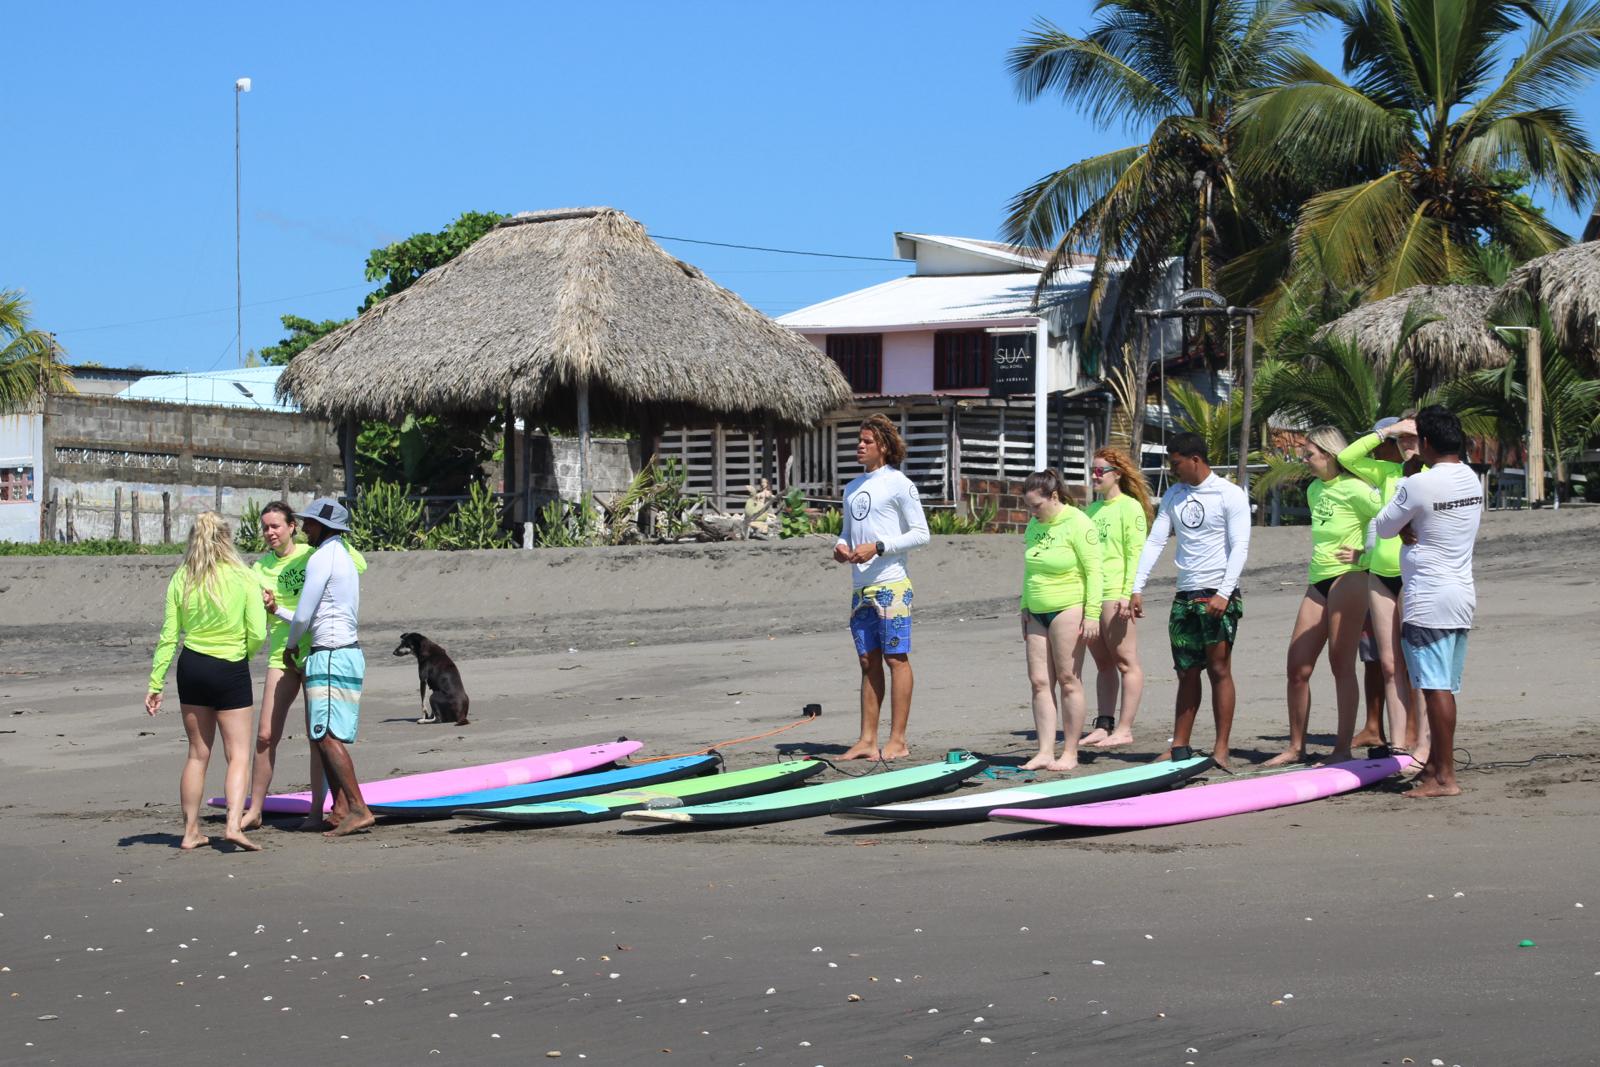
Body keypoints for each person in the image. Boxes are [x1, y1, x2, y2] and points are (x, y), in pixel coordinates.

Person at [1373, 405, 1483, 798]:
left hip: (1428, 596)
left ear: (1426, 442)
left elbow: (1383, 526)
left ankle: (1444, 777)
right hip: (1460, 593)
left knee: (1435, 689)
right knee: (1444, 687)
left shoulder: (1417, 484)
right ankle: (1436, 766)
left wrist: (1408, 478)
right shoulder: (1471, 478)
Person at [146, 511, 267, 851]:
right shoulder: (244, 576)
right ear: (226, 539)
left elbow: (169, 636)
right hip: (230, 667)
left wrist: (156, 683)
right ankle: (233, 825)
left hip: (193, 666)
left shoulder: (182, 577)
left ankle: (190, 832)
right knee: (238, 754)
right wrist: (244, 654)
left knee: (197, 755)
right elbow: (258, 631)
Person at [244, 502, 368, 832]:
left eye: (276, 525)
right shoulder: (266, 566)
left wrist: (291, 644)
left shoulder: (320, 556)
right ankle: (334, 809)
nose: (270, 532)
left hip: (323, 651)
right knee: (281, 734)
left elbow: (305, 615)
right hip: (312, 651)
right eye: (265, 527)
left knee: (322, 736)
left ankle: (344, 809)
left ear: (294, 528)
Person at [1129, 433, 1250, 768]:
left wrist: (1224, 592)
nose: (1173, 470)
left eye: (1176, 463)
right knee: (1186, 671)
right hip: (1185, 594)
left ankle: (1221, 749)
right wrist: (1137, 586)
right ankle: (1179, 746)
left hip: (1217, 593)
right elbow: (1156, 540)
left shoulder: (1229, 494)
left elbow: (1240, 546)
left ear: (1195, 459)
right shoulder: (1174, 494)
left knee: (1219, 669)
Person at [1264, 426, 1383, 766]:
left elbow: (1391, 522)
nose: (1305, 460)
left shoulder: (1357, 488)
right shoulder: (1314, 490)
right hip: (1318, 579)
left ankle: (1342, 749)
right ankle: (1295, 747)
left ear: (1330, 455)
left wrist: (1366, 555)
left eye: (1310, 454)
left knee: (1340, 663)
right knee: (1297, 666)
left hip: (1350, 577)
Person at [833, 414, 930, 761]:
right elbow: (847, 532)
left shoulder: (899, 484)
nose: (860, 446)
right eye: (859, 440)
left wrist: (878, 547)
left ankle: (898, 740)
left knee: (895, 658)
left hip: (892, 584)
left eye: (867, 441)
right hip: (861, 587)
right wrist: (840, 546)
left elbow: (922, 534)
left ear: (884, 446)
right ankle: (866, 740)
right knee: (867, 660)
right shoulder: (851, 488)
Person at [1340, 415, 1427, 760]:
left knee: (1415, 664)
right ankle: (1397, 744)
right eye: (1401, 439)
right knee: (1389, 666)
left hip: (1412, 573)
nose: (1406, 444)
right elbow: (1346, 457)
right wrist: (1386, 431)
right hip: (1380, 575)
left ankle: (1421, 741)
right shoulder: (1387, 473)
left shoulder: (1431, 475)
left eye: (1412, 437)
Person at [1017, 469, 1104, 771]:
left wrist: (1092, 614)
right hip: (1036, 610)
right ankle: (1044, 751)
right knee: (1040, 681)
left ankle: (1070, 752)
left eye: (1037, 506)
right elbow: (1030, 568)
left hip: (1068, 607)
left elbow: (1095, 571)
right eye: (1029, 507)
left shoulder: (1078, 522)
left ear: (1054, 497)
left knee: (1068, 680)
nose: (1033, 512)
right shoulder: (1034, 524)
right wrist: (1024, 605)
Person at [1079, 447, 1152, 749]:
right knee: (1103, 663)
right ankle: (1104, 724)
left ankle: (1125, 728)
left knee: (1126, 661)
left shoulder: (1130, 508)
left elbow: (1136, 553)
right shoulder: (1091, 511)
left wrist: (1128, 592)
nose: (1094, 476)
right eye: (1092, 470)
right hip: (1092, 596)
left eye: (1100, 471)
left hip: (1115, 593)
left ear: (1117, 474)